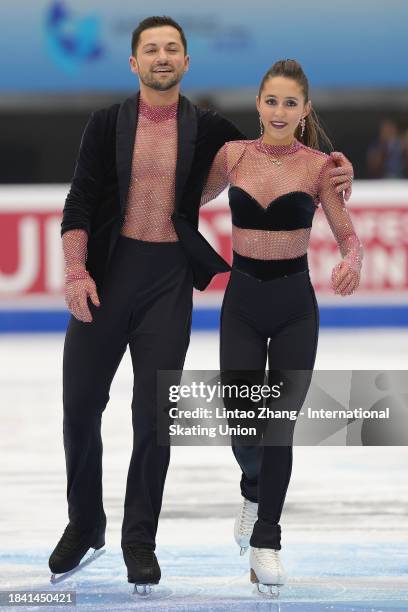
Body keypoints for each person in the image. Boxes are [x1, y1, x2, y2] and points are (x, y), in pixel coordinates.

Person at [48, 13, 354, 591]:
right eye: (151, 49)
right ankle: (85, 522)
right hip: (107, 274)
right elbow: (79, 202)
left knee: (153, 417)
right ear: (134, 62)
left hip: (167, 279)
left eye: (172, 49)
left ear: (186, 63)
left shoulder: (210, 128)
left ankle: (139, 540)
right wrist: (74, 269)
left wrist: (335, 171)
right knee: (80, 407)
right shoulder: (105, 123)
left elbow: (274, 147)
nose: (162, 57)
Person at [200, 59, 363, 595]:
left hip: (295, 306)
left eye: (290, 103)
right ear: (258, 105)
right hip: (241, 302)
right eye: (272, 101)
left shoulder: (319, 167)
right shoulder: (233, 157)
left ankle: (267, 538)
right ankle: (253, 488)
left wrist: (351, 262)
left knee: (281, 425)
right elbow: (183, 200)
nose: (280, 111)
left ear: (305, 110)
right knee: (243, 423)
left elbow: (349, 238)